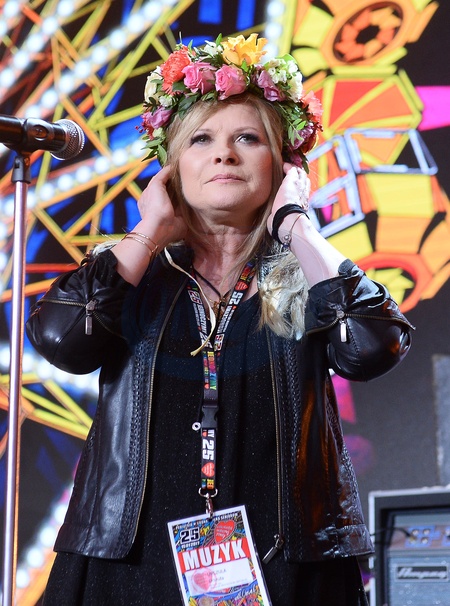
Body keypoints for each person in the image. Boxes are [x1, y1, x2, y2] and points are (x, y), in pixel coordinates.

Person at [27, 34, 413, 605]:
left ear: (283, 166)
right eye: (201, 139)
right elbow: (61, 339)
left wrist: (296, 225)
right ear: (172, 167)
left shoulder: (309, 275)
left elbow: (375, 344)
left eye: (247, 138)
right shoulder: (133, 273)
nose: (224, 154)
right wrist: (148, 231)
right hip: (129, 563)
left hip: (286, 561)